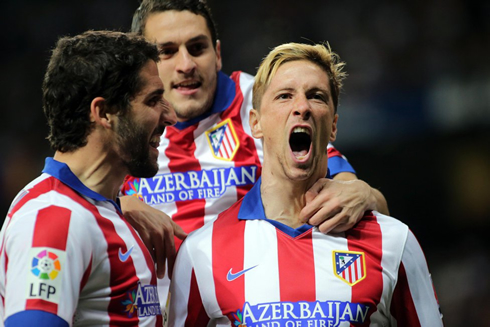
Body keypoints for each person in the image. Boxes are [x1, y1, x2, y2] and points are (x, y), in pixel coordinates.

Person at [168, 42, 443, 326]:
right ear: (255, 124)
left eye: (316, 96)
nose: (302, 107)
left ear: (334, 125)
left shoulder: (394, 242)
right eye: (285, 96)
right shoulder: (202, 252)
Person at [122, 0, 389, 278]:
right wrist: (117, 205)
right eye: (167, 52)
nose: (186, 64)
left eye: (197, 48)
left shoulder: (263, 103)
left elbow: (350, 192)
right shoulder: (120, 119)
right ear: (143, 65)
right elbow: (78, 202)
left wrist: (364, 194)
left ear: (218, 54)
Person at [0, 30, 177, 326]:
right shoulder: (54, 221)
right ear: (105, 112)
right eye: (153, 100)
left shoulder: (102, 211)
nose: (170, 116)